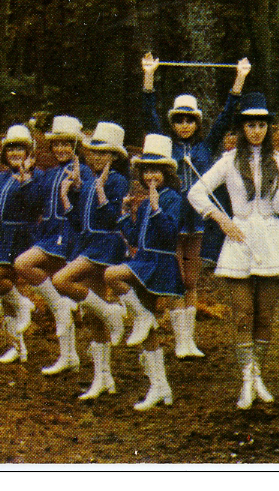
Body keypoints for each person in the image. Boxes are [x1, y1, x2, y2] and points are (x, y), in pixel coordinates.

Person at [189, 93, 279, 409]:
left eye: (262, 124)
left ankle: (258, 377)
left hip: (269, 236)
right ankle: (245, 380)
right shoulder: (228, 161)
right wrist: (222, 219)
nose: (256, 131)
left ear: (268, 127)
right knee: (242, 314)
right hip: (238, 237)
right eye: (250, 125)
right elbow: (197, 192)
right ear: (241, 128)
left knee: (264, 315)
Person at [142, 53, 251, 358]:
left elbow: (228, 115)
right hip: (172, 219)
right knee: (175, 278)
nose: (185, 124)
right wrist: (149, 76)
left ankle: (189, 340)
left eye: (190, 119)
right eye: (179, 119)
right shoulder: (165, 145)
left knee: (191, 280)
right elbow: (148, 114)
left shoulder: (206, 145)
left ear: (197, 122)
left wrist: (239, 79)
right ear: (173, 122)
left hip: (198, 221)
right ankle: (179, 340)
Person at [104, 134, 186, 410]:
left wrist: (155, 207)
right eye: (147, 170)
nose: (151, 175)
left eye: (157, 171)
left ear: (166, 173)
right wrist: (127, 213)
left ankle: (141, 315)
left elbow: (169, 234)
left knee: (111, 275)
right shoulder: (145, 199)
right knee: (146, 333)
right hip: (145, 260)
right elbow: (137, 239)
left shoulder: (172, 198)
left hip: (160, 265)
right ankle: (160, 387)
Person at [52, 122, 131, 400]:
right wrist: (67, 196)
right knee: (91, 316)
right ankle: (103, 377)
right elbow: (77, 221)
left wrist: (100, 193)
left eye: (104, 154)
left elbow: (113, 220)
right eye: (93, 153)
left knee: (60, 280)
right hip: (87, 243)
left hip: (105, 245)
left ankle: (112, 312)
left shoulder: (119, 182)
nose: (97, 158)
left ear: (115, 157)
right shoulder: (85, 181)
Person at [13, 116, 94, 375]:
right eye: (56, 144)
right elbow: (35, 202)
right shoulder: (48, 174)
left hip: (69, 236)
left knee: (24, 263)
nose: (60, 149)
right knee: (57, 295)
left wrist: (80, 186)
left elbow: (87, 207)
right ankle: (68, 356)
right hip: (48, 234)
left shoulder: (84, 171)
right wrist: (26, 179)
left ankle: (75, 347)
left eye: (66, 144)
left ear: (75, 145)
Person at [0, 125, 41, 364]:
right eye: (11, 148)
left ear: (29, 152)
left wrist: (26, 182)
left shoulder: (37, 176)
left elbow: (36, 206)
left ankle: (24, 304)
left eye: (20, 148)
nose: (15, 153)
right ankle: (18, 347)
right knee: (4, 296)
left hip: (19, 235)